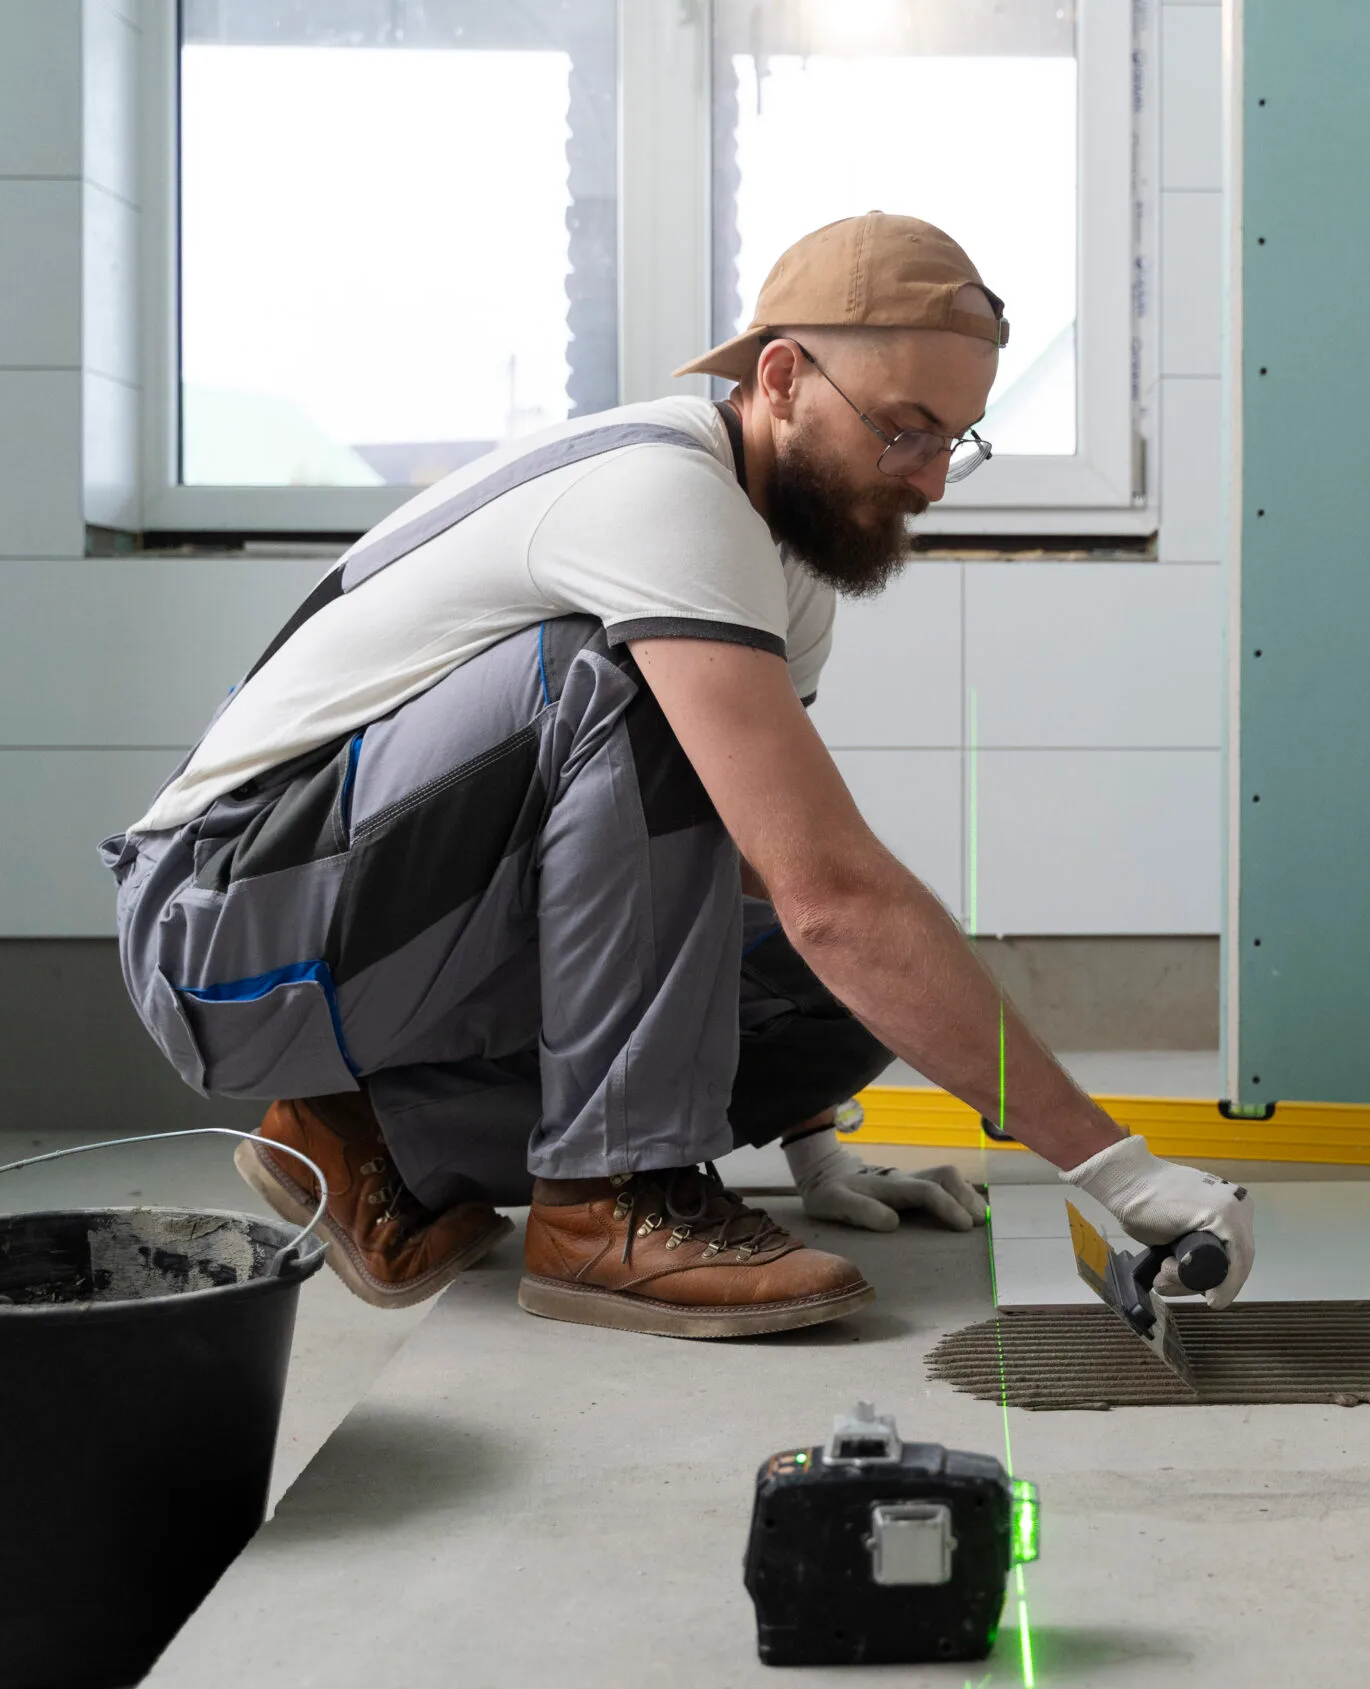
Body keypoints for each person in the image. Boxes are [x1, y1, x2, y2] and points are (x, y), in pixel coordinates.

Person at [101, 212, 1254, 1339]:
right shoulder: (661, 493)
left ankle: (374, 1140)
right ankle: (612, 1201)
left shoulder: (782, 566)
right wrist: (1116, 1170)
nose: (932, 481)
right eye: (905, 431)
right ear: (785, 377)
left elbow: (747, 868)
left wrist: (815, 1146)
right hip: (223, 926)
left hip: (382, 932)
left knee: (837, 992)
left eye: (955, 441)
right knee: (654, 717)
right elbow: (831, 891)